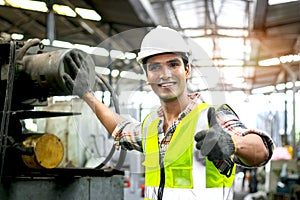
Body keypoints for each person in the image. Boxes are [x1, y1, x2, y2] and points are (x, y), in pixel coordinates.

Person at [62, 26, 274, 200]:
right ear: (147, 76)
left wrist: (232, 143)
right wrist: (87, 95)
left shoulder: (211, 116)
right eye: (155, 67)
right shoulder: (151, 126)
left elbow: (261, 149)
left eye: (173, 64)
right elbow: (120, 129)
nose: (165, 74)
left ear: (187, 70)